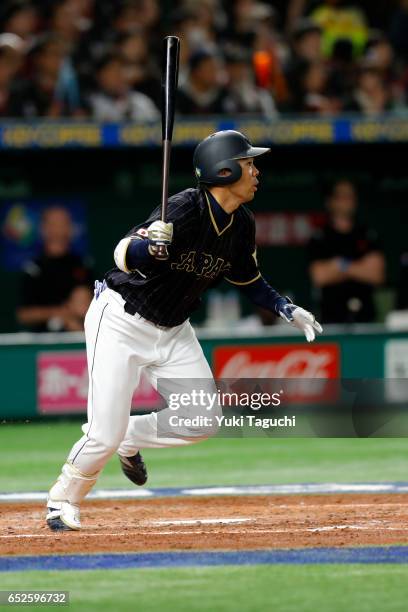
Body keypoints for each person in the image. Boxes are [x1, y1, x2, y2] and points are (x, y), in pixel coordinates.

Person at [45, 130, 322, 531]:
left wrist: (284, 306)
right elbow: (123, 254)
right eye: (248, 164)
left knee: (202, 420)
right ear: (224, 171)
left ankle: (130, 437)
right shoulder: (185, 207)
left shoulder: (241, 224)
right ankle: (62, 499)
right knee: (103, 434)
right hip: (122, 319)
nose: (256, 171)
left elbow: (249, 279)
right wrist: (148, 247)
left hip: (173, 330)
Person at [308, 179, 385, 323]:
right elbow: (319, 276)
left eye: (351, 196)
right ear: (331, 201)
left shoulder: (367, 234)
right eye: (342, 196)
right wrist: (360, 267)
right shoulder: (320, 237)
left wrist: (339, 265)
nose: (347, 201)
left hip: (366, 317)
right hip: (332, 318)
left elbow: (376, 275)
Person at [17, 205, 93, 332]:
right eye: (54, 224)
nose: (60, 229)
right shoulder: (33, 268)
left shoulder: (82, 264)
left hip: (80, 338)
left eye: (65, 223)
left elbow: (91, 304)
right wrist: (62, 313)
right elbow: (23, 315)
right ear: (44, 228)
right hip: (42, 342)